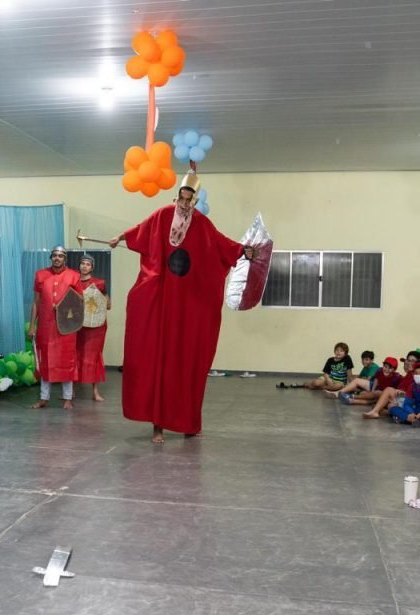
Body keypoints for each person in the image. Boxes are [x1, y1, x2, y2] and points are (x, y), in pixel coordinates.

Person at [107, 171, 255, 443]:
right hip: (161, 296)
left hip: (186, 302)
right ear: (176, 197)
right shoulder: (163, 215)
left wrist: (241, 250)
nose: (184, 203)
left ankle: (188, 421)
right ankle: (158, 425)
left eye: (190, 199)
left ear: (194, 200)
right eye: (182, 198)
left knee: (186, 363)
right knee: (156, 361)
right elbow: (141, 231)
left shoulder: (201, 223)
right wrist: (121, 238)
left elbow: (220, 244)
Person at [29, 246, 82, 409]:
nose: (57, 258)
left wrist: (63, 308)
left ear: (65, 258)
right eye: (55, 256)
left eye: (60, 256)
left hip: (65, 327)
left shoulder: (74, 276)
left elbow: (79, 302)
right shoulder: (40, 275)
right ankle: (44, 398)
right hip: (45, 326)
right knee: (46, 361)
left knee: (67, 360)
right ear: (51, 258)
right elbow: (36, 302)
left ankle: (67, 398)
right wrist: (32, 325)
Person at [74, 254, 109, 402]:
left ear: (92, 267)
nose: (84, 266)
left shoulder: (99, 283)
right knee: (76, 355)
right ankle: (72, 391)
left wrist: (96, 298)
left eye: (88, 264)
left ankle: (95, 392)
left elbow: (107, 304)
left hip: (96, 327)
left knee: (93, 357)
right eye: (82, 263)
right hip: (77, 325)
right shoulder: (73, 282)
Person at [388, 362, 420, 427]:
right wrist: (411, 413)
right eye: (416, 373)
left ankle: (407, 420)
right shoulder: (412, 387)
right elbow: (407, 404)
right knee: (393, 409)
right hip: (415, 412)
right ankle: (413, 420)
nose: (418, 375)